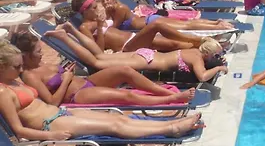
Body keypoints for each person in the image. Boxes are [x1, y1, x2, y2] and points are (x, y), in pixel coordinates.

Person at [0, 41, 202, 142]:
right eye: (16, 66)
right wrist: (52, 136)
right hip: (51, 124)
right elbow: (19, 131)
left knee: (118, 118)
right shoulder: (3, 93)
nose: (21, 69)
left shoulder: (14, 81)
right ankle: (171, 129)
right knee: (114, 125)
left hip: (62, 112)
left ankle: (170, 123)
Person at [14, 33, 195, 106]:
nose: (42, 54)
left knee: (124, 70)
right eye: (38, 52)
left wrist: (70, 73)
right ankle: (171, 98)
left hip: (86, 82)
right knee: (125, 96)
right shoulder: (30, 76)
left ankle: (164, 91)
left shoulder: (40, 64)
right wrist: (67, 79)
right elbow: (52, 103)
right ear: (26, 55)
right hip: (78, 95)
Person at [45, 23, 228, 83]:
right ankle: (65, 37)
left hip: (146, 54)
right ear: (207, 53)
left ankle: (71, 29)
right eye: (213, 55)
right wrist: (218, 68)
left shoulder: (193, 49)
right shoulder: (197, 58)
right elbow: (203, 77)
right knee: (96, 63)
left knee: (101, 56)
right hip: (146, 62)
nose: (213, 58)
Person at [73, 0, 206, 53]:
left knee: (174, 44)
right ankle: (198, 40)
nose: (98, 9)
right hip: (127, 47)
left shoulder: (97, 19)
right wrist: (100, 26)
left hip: (133, 37)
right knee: (156, 24)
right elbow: (98, 51)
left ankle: (204, 49)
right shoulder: (84, 27)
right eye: (95, 8)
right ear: (85, 12)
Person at [100, 0, 234, 31]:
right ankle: (216, 23)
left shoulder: (120, 8)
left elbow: (114, 28)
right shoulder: (113, 10)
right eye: (103, 1)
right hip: (150, 21)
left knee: (185, 26)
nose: (105, 2)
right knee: (186, 24)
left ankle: (217, 26)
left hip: (150, 23)